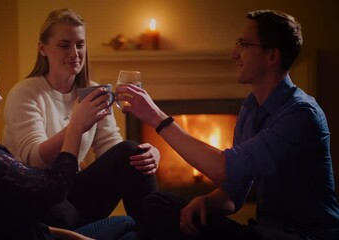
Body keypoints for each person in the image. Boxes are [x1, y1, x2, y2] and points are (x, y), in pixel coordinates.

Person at [116, 9, 339, 240]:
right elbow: (234, 191)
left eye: (243, 45)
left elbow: (220, 168)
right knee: (159, 203)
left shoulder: (301, 115)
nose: (234, 54)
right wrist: (206, 202)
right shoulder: (250, 108)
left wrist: (157, 119)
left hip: (306, 235)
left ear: (272, 56)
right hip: (263, 229)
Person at [0, 57, 139, 240]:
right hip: (54, 224)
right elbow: (55, 189)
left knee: (130, 154)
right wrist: (75, 127)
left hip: (51, 224)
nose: (0, 97)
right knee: (133, 224)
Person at [2, 8, 159, 230]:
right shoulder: (26, 93)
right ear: (43, 48)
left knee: (134, 153)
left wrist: (151, 153)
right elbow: (33, 160)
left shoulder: (92, 91)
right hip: (38, 199)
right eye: (64, 45)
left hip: (74, 196)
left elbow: (113, 150)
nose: (75, 53)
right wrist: (76, 124)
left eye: (80, 44)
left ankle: (156, 232)